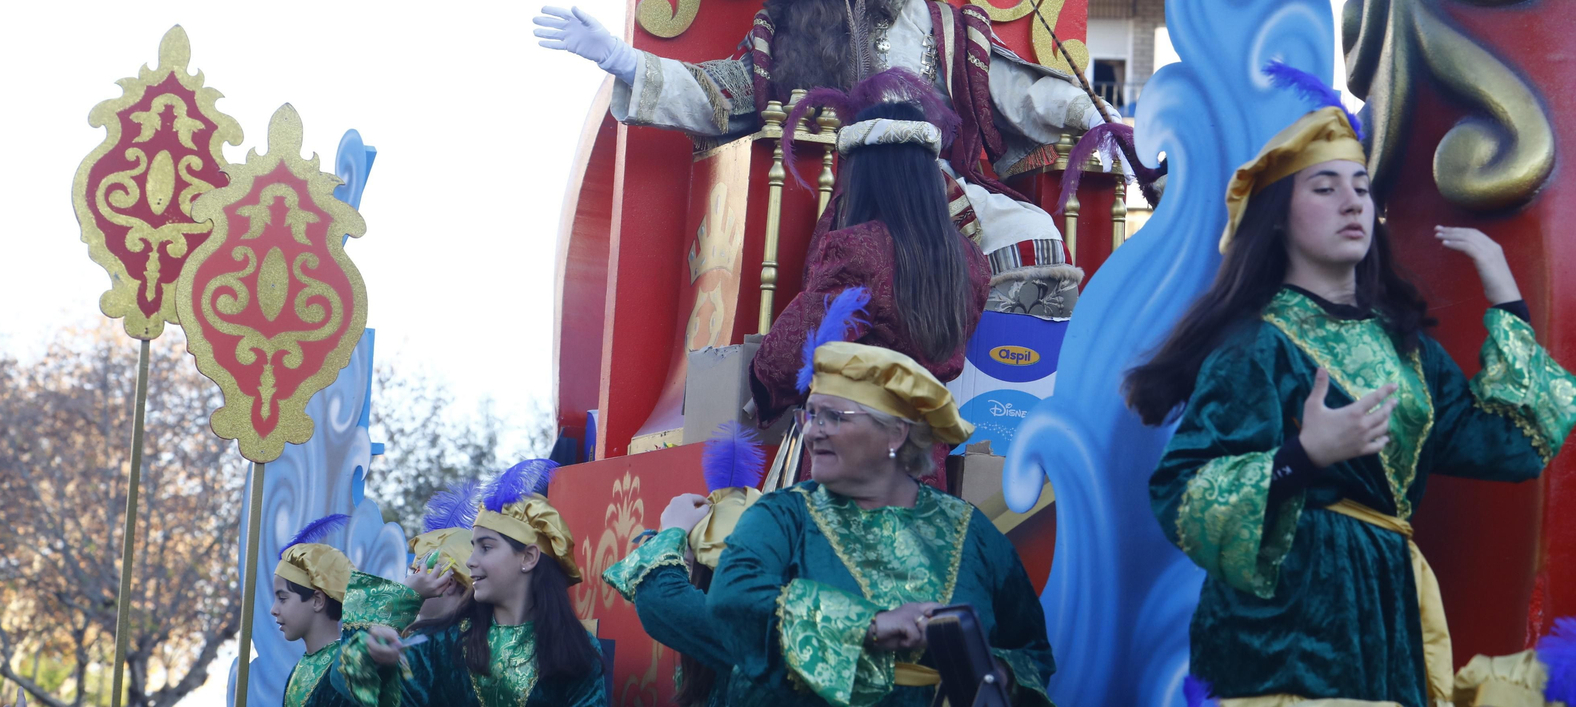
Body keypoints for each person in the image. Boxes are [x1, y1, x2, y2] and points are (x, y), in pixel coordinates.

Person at [1124, 82, 1576, 707]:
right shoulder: (1257, 345)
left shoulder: (1406, 350)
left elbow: (1514, 445)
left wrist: (1504, 291)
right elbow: (1183, 492)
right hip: (1285, 631)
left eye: (1361, 188)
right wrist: (1302, 456)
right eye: (1325, 187)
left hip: (1387, 609)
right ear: (1278, 213)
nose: (1352, 203)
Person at [532, 0, 1108, 314]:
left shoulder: (931, 24)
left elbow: (1016, 90)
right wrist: (623, 61)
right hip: (840, 208)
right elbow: (715, 95)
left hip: (939, 194)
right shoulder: (778, 49)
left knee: (1032, 232)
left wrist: (1094, 116)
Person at [708, 292, 1057, 706]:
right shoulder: (784, 517)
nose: (814, 431)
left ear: (895, 434)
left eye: (834, 417)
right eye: (811, 414)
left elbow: (1031, 650)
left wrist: (994, 671)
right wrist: (870, 625)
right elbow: (733, 597)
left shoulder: (971, 532)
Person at [750, 71, 991, 487]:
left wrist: (761, 383)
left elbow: (798, 352)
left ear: (865, 176)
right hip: (924, 464)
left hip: (856, 457)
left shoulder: (858, 249)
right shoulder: (969, 259)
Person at [332, 460, 607, 707]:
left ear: (529, 557)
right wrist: (371, 655)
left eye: (486, 548)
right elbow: (358, 690)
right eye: (473, 548)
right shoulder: (442, 644)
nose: (471, 561)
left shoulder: (576, 648)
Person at [602, 421, 772, 707]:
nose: (679, 571)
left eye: (683, 563)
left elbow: (658, 597)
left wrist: (673, 531)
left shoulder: (751, 628)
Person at [271, 514, 352, 707]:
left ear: (317, 600)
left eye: (283, 598)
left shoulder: (345, 668)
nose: (274, 610)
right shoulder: (299, 669)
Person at [406, 481, 479, 623]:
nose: (411, 580)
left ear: (449, 582)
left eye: (419, 571)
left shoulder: (444, 640)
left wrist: (404, 597)